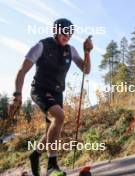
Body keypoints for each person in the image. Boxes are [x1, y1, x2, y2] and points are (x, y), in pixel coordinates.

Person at [9, 18, 93, 176]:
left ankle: (36, 154)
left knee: (51, 128)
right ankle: (52, 166)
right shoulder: (41, 46)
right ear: (56, 30)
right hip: (39, 90)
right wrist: (17, 95)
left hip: (57, 93)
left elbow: (86, 70)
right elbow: (22, 71)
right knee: (60, 117)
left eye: (70, 33)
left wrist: (87, 52)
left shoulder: (71, 50)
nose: (66, 35)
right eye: (64, 31)